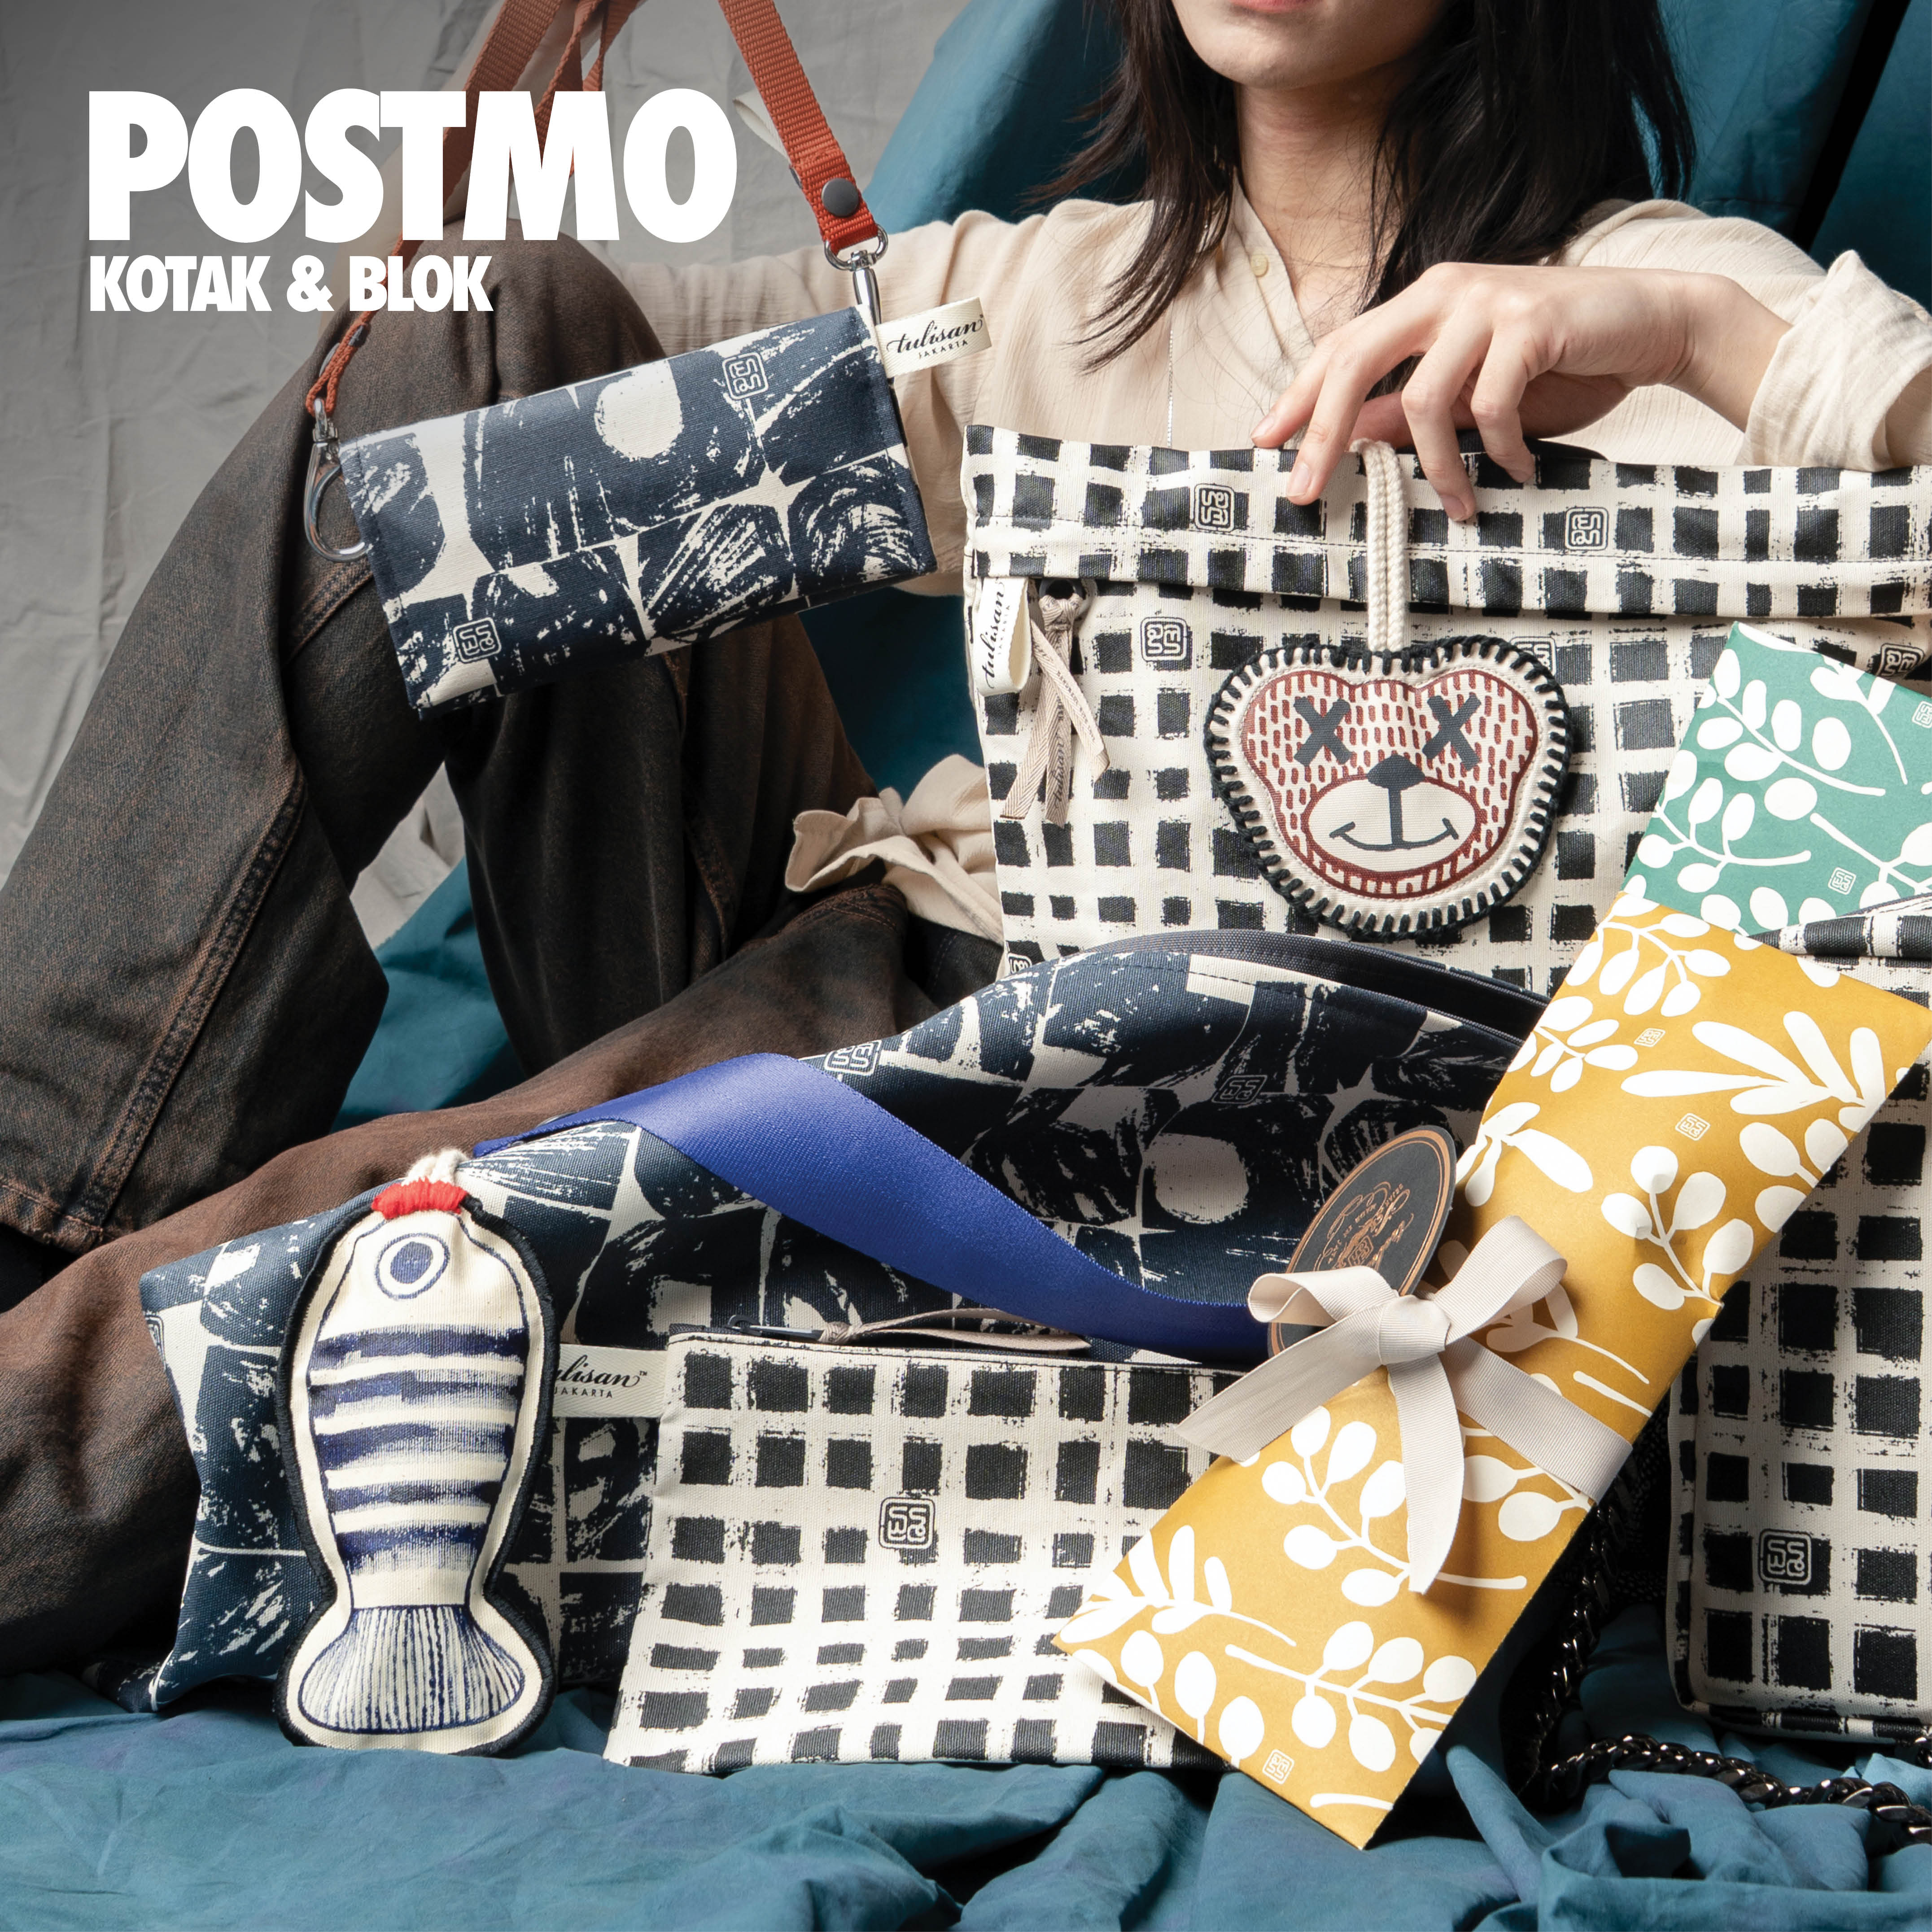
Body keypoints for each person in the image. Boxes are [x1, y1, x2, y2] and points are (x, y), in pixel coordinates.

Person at [2, 0, 1928, 1671]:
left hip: (1230, 1142)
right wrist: (500, 126)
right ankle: (29, 1191)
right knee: (479, 328)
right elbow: (478, 385)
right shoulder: (1040, 296)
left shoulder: (1664, 298)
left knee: (410, 1223)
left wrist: (1687, 332)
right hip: (884, 953)